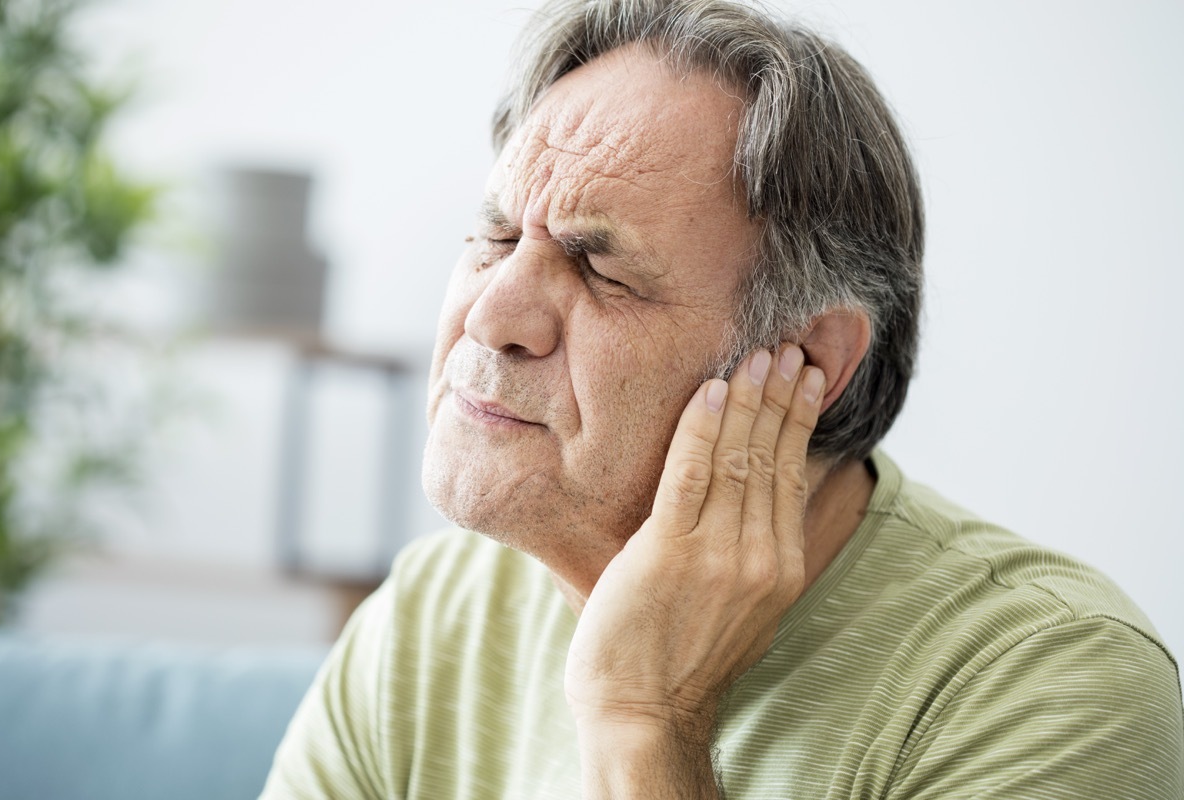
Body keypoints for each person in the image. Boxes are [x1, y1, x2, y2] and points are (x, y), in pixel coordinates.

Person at [261, 1, 1184, 797]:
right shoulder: (435, 612)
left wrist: (645, 722)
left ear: (809, 363)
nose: (492, 314)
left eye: (599, 268)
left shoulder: (1045, 683)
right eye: (496, 236)